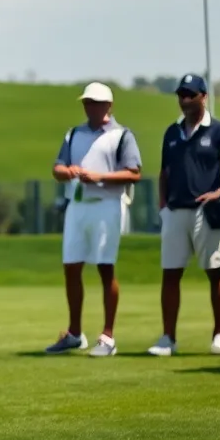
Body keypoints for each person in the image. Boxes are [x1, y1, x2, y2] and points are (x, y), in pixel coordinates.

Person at [45, 82, 141, 358]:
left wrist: (100, 177)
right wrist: (68, 171)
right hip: (77, 205)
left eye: (95, 103)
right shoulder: (73, 133)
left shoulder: (122, 135)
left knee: (104, 267)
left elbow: (133, 172)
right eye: (87, 102)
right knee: (71, 268)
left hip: (106, 204)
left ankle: (108, 336)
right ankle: (75, 333)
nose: (90, 107)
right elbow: (57, 168)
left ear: (108, 106)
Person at [147, 74, 220, 357]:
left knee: (214, 272)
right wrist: (163, 206)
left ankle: (219, 334)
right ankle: (168, 337)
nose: (184, 100)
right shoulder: (171, 132)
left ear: (203, 97)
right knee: (170, 274)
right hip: (175, 212)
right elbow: (164, 172)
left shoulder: (219, 130)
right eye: (181, 95)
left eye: (190, 95)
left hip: (205, 212)